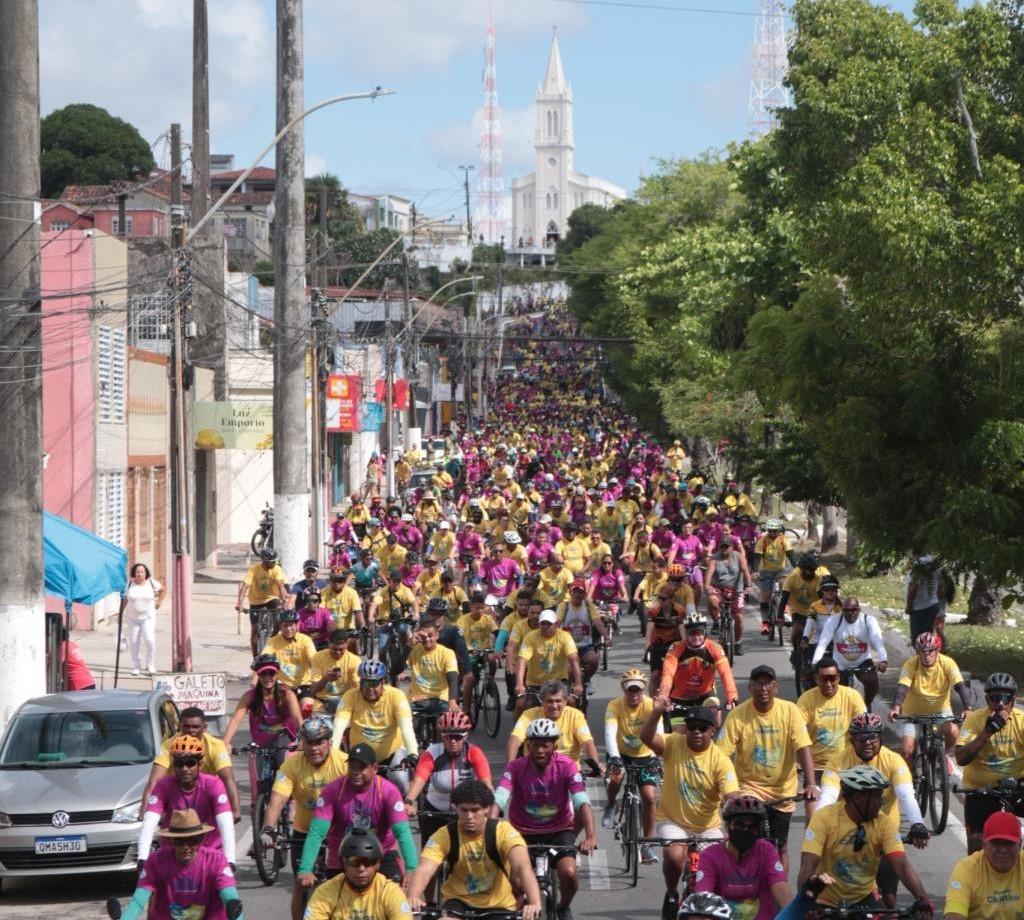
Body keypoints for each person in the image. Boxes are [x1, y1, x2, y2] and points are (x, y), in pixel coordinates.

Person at [639, 700, 738, 919]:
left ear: (713, 731)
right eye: (691, 727)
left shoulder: (721, 761)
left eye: (703, 728)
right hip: (673, 821)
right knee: (674, 856)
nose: (696, 732)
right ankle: (673, 893)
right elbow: (646, 737)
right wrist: (657, 711)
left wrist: (737, 811)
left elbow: (731, 795)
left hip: (707, 828)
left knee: (713, 878)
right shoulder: (674, 743)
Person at [818, 712, 929, 907]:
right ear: (852, 740)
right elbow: (827, 796)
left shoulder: (893, 760)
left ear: (881, 739)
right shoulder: (838, 762)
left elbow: (906, 795)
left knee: (889, 899)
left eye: (873, 737)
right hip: (847, 837)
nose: (868, 742)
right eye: (861, 737)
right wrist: (818, 824)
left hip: (884, 835)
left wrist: (917, 823)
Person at [493, 718, 597, 920]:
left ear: (555, 746)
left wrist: (591, 836)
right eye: (535, 744)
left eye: (545, 745)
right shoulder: (515, 767)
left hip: (559, 831)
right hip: (522, 833)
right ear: (527, 745)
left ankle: (563, 906)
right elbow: (499, 798)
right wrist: (489, 827)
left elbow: (582, 802)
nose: (540, 750)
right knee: (516, 881)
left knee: (568, 873)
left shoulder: (566, 766)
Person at [718, 665, 817, 872]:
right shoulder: (737, 715)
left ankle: (779, 894)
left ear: (776, 687)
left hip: (783, 790)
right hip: (749, 788)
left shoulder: (790, 711)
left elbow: (803, 746)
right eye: (759, 683)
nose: (764, 688)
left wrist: (810, 784)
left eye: (768, 684)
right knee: (746, 843)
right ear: (751, 687)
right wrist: (725, 789)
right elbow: (722, 756)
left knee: (779, 847)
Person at [797, 765, 932, 914]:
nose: (881, 802)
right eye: (876, 797)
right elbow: (807, 865)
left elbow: (901, 865)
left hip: (864, 897)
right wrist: (804, 902)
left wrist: (923, 899)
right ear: (858, 798)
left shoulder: (883, 822)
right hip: (824, 901)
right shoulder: (823, 818)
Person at [406, 779, 543, 920]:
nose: (469, 816)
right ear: (456, 808)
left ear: (486, 809)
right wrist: (413, 896)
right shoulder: (445, 834)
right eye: (464, 810)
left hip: (498, 906)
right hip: (458, 902)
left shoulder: (503, 831)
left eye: (475, 810)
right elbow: (424, 870)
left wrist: (534, 903)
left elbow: (523, 868)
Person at [259, 716, 347, 920]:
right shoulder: (291, 765)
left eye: (320, 742)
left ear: (330, 743)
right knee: (300, 883)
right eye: (309, 742)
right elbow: (277, 801)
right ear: (302, 743)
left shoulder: (343, 763)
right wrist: (268, 829)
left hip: (338, 833)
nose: (314, 748)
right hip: (305, 831)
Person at [297, 743, 418, 885]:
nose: (356, 772)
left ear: (375, 768)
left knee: (402, 890)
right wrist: (305, 869)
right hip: (342, 857)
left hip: (382, 854)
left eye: (362, 768)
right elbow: (317, 832)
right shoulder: (332, 790)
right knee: (306, 887)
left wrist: (412, 869)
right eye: (352, 767)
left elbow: (402, 831)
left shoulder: (389, 791)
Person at [120, 808, 243, 920]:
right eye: (179, 841)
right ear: (171, 840)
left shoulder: (216, 860)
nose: (186, 847)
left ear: (201, 839)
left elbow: (231, 898)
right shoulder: (155, 861)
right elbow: (138, 900)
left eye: (192, 840)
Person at [136, 734, 237, 869]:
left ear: (199, 764)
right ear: (174, 765)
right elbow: (149, 822)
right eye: (179, 764)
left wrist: (230, 859)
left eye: (190, 763)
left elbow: (225, 822)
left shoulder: (213, 784)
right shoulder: (163, 785)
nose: (184, 769)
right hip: (174, 852)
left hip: (210, 850)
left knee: (224, 889)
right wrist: (142, 857)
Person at [955, 672, 1024, 853]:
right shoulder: (974, 720)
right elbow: (961, 758)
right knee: (977, 844)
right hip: (980, 788)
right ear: (987, 700)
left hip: (1015, 786)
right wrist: (987, 732)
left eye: (1006, 698)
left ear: (1013, 700)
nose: (1000, 703)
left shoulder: (1022, 721)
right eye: (995, 698)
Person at [330, 659, 419, 796]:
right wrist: (333, 753)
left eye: (374, 683)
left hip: (392, 753)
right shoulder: (350, 696)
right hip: (361, 757)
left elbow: (406, 727)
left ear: (383, 682)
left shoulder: (396, 696)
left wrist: (412, 753)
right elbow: (338, 727)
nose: (370, 688)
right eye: (366, 683)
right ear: (360, 683)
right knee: (348, 785)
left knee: (400, 781)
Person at [695, 795, 793, 920]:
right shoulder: (710, 855)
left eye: (752, 826)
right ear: (728, 825)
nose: (745, 830)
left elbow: (781, 887)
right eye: (739, 825)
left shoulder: (767, 850)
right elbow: (702, 897)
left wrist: (794, 913)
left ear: (759, 829)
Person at [404, 710, 492, 844]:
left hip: (465, 813)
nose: (453, 741)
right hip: (435, 811)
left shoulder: (474, 752)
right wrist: (409, 802)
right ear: (442, 736)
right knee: (431, 857)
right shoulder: (432, 752)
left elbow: (486, 782)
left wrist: (492, 804)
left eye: (457, 737)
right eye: (448, 736)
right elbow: (419, 779)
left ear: (465, 736)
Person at [141, 706, 240, 822]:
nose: (191, 731)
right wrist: (144, 809)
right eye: (186, 727)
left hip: (206, 797)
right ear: (179, 727)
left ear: (204, 727)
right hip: (177, 798)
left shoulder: (216, 746)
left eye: (196, 727)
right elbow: (154, 781)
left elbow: (228, 779)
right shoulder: (168, 745)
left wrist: (235, 810)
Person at [889, 630, 970, 770]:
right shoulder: (911, 664)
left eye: (931, 651)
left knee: (953, 732)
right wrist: (896, 708)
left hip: (940, 712)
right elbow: (902, 687)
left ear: (937, 650)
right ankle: (909, 782)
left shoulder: (947, 663)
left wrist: (968, 708)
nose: (927, 655)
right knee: (907, 751)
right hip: (912, 715)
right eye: (922, 651)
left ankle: (943, 755)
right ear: (917, 652)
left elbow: (960, 686)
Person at [602, 669, 660, 845]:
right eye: (630, 690)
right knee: (616, 778)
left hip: (646, 755)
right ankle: (611, 804)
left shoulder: (651, 705)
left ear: (644, 690)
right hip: (620, 754)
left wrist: (657, 756)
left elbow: (660, 734)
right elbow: (610, 733)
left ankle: (647, 842)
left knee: (649, 797)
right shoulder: (614, 705)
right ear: (624, 690)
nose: (634, 694)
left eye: (638, 690)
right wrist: (614, 757)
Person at [303, 829, 412, 920]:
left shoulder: (390, 892)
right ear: (343, 864)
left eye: (368, 862)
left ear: (378, 864)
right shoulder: (325, 892)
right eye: (354, 861)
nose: (361, 869)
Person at [657, 613, 737, 729]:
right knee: (680, 736)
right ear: (686, 634)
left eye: (699, 633)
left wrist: (732, 697)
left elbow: (726, 674)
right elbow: (667, 675)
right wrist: (664, 696)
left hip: (705, 695)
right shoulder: (676, 648)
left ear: (705, 633)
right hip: (679, 698)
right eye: (692, 633)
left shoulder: (715, 648)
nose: (696, 637)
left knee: (715, 718)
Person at [223, 654, 302, 768]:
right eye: (263, 674)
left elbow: (297, 718)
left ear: (277, 674)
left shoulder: (287, 695)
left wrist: (304, 740)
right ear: (258, 675)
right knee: (259, 777)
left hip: (283, 739)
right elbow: (235, 721)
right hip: (261, 742)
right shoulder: (249, 696)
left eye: (271, 673)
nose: (267, 678)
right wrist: (225, 743)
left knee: (284, 767)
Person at [944, 811, 1024, 920]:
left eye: (1009, 843)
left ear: (1020, 845)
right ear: (984, 845)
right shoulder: (966, 869)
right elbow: (954, 915)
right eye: (997, 843)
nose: (1003, 850)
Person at [811, 595, 888, 708]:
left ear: (859, 609)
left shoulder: (868, 620)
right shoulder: (833, 620)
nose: (850, 613)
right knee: (831, 687)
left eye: (854, 610)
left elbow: (877, 641)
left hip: (863, 662)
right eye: (846, 610)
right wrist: (815, 661)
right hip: (840, 664)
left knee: (872, 681)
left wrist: (883, 659)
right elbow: (823, 643)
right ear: (842, 609)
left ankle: (866, 706)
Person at [796, 656, 865, 780]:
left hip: (846, 767)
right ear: (816, 679)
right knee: (814, 800)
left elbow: (863, 726)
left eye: (832, 678)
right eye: (823, 679)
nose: (828, 684)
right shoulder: (805, 700)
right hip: (816, 768)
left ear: (838, 677)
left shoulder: (852, 696)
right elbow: (799, 732)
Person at [508, 679, 601, 767]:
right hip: (535, 771)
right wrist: (510, 766)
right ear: (541, 701)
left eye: (558, 701)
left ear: (565, 701)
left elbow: (587, 742)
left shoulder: (576, 716)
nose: (554, 706)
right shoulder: (528, 715)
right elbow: (515, 739)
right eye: (550, 701)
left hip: (569, 773)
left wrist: (597, 765)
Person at [514, 608, 583, 716]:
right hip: (535, 684)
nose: (545, 627)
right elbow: (522, 660)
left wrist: (578, 683)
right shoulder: (530, 637)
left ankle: (576, 725)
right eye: (543, 624)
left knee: (571, 701)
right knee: (520, 705)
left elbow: (574, 660)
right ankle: (518, 730)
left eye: (549, 624)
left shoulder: (564, 636)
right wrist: (519, 684)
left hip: (558, 682)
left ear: (556, 624)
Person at [556, 578, 610, 686]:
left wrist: (607, 637)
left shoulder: (588, 606)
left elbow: (597, 622)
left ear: (584, 594)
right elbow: (557, 624)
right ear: (571, 593)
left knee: (593, 660)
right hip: (567, 647)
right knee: (569, 670)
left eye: (580, 592)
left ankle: (586, 680)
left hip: (586, 646)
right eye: (575, 592)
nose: (577, 595)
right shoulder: (564, 606)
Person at [236, 547, 288, 656]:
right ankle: (255, 659)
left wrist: (284, 601)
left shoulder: (276, 569)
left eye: (274, 561)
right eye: (271, 562)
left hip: (271, 598)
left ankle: (272, 638)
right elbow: (245, 587)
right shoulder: (254, 570)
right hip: (256, 601)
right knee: (254, 630)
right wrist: (239, 603)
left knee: (279, 617)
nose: (274, 563)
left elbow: (280, 586)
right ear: (264, 561)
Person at [119, 562, 165, 676]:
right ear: (134, 573)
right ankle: (136, 666)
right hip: (132, 618)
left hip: (148, 617)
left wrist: (158, 602)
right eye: (138, 572)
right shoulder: (129, 584)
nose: (140, 574)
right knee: (134, 642)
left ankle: (150, 664)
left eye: (142, 572)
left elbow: (163, 590)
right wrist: (120, 612)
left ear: (146, 573)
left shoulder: (151, 583)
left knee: (149, 640)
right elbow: (125, 599)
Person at [260, 607, 317, 697]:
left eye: (291, 625)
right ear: (280, 626)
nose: (288, 629)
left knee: (307, 707)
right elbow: (263, 658)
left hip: (304, 685)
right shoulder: (273, 641)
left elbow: (314, 660)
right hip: (282, 685)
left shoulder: (306, 640)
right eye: (285, 625)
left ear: (297, 625)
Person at [704, 537, 747, 654]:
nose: (724, 549)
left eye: (726, 547)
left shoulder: (738, 556)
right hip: (719, 589)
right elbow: (709, 572)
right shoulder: (714, 558)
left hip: (736, 591)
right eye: (722, 547)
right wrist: (707, 585)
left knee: (738, 618)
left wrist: (749, 585)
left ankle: (738, 643)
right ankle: (717, 621)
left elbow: (745, 571)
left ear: (732, 547)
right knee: (712, 600)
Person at [753, 519, 794, 636]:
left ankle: (785, 606)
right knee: (765, 597)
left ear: (779, 531)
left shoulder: (783, 540)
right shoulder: (762, 541)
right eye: (770, 531)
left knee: (784, 584)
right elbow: (757, 557)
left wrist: (797, 568)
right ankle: (765, 623)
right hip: (765, 571)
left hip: (780, 570)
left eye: (774, 531)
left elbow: (791, 555)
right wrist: (755, 570)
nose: (772, 533)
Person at [310, 628, 361, 714]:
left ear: (347, 644)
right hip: (323, 702)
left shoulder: (355, 660)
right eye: (334, 649)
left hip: (346, 702)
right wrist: (325, 679)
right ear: (328, 643)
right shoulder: (317, 657)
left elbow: (358, 687)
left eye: (341, 649)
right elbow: (314, 690)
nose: (337, 652)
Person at [780, 553, 825, 649]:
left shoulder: (818, 578)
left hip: (813, 610)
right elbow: (784, 598)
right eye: (805, 570)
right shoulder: (792, 577)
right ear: (800, 568)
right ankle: (796, 653)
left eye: (811, 571)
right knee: (797, 631)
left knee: (815, 636)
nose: (808, 573)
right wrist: (780, 617)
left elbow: (823, 599)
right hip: (797, 610)